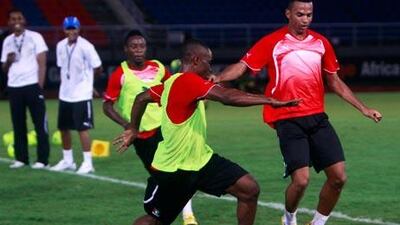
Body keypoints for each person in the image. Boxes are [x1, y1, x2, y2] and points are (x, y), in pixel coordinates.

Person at [211, 1, 383, 225]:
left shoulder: (321, 43)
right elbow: (242, 66)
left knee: (339, 177)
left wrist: (364, 108)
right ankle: (289, 217)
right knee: (301, 181)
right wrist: (220, 78)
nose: (305, 19)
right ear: (288, 14)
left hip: (317, 117)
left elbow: (334, 81)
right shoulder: (272, 42)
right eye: (300, 14)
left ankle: (318, 223)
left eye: (309, 15)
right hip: (287, 117)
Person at [113, 39, 301, 225]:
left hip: (200, 161)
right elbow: (227, 97)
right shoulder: (188, 81)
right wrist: (270, 100)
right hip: (177, 169)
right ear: (195, 60)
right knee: (155, 220)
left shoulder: (171, 83)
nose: (210, 68)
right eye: (208, 62)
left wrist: (133, 129)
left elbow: (141, 98)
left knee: (249, 189)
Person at [103, 30, 198, 225]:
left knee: (179, 170)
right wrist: (128, 126)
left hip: (166, 129)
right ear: (126, 49)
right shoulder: (120, 74)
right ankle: (157, 211)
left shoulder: (159, 68)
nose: (138, 50)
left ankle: (187, 216)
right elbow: (107, 105)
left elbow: (174, 87)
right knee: (162, 176)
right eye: (134, 46)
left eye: (142, 46)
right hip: (142, 136)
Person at [51, 16, 102, 174]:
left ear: (79, 29)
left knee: (82, 128)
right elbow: (62, 67)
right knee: (63, 128)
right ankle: (68, 160)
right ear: (64, 30)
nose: (71, 31)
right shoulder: (60, 46)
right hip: (65, 94)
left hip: (81, 94)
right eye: (68, 28)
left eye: (74, 28)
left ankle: (88, 163)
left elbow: (98, 67)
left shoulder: (86, 46)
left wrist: (89, 84)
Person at [1, 9, 50, 169]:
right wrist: (8, 61)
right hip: (14, 87)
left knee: (39, 125)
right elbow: (4, 69)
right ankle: (21, 158)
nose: (16, 21)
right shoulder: (7, 41)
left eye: (19, 18)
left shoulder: (35, 37)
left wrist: (39, 87)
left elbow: (42, 62)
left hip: (32, 86)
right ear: (8, 22)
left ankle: (42, 160)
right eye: (13, 18)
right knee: (18, 124)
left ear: (24, 21)